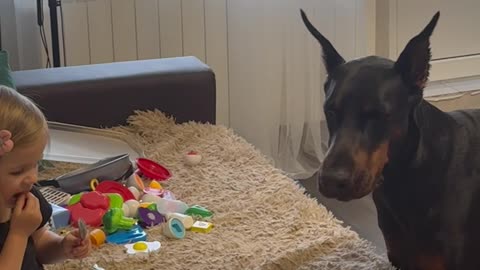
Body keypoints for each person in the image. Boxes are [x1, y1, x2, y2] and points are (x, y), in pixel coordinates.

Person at [0, 85, 91, 269]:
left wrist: (62, 247)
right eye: (17, 171)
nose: (32, 178)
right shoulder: (21, 228)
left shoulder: (29, 198)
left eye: (35, 164)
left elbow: (39, 242)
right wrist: (18, 235)